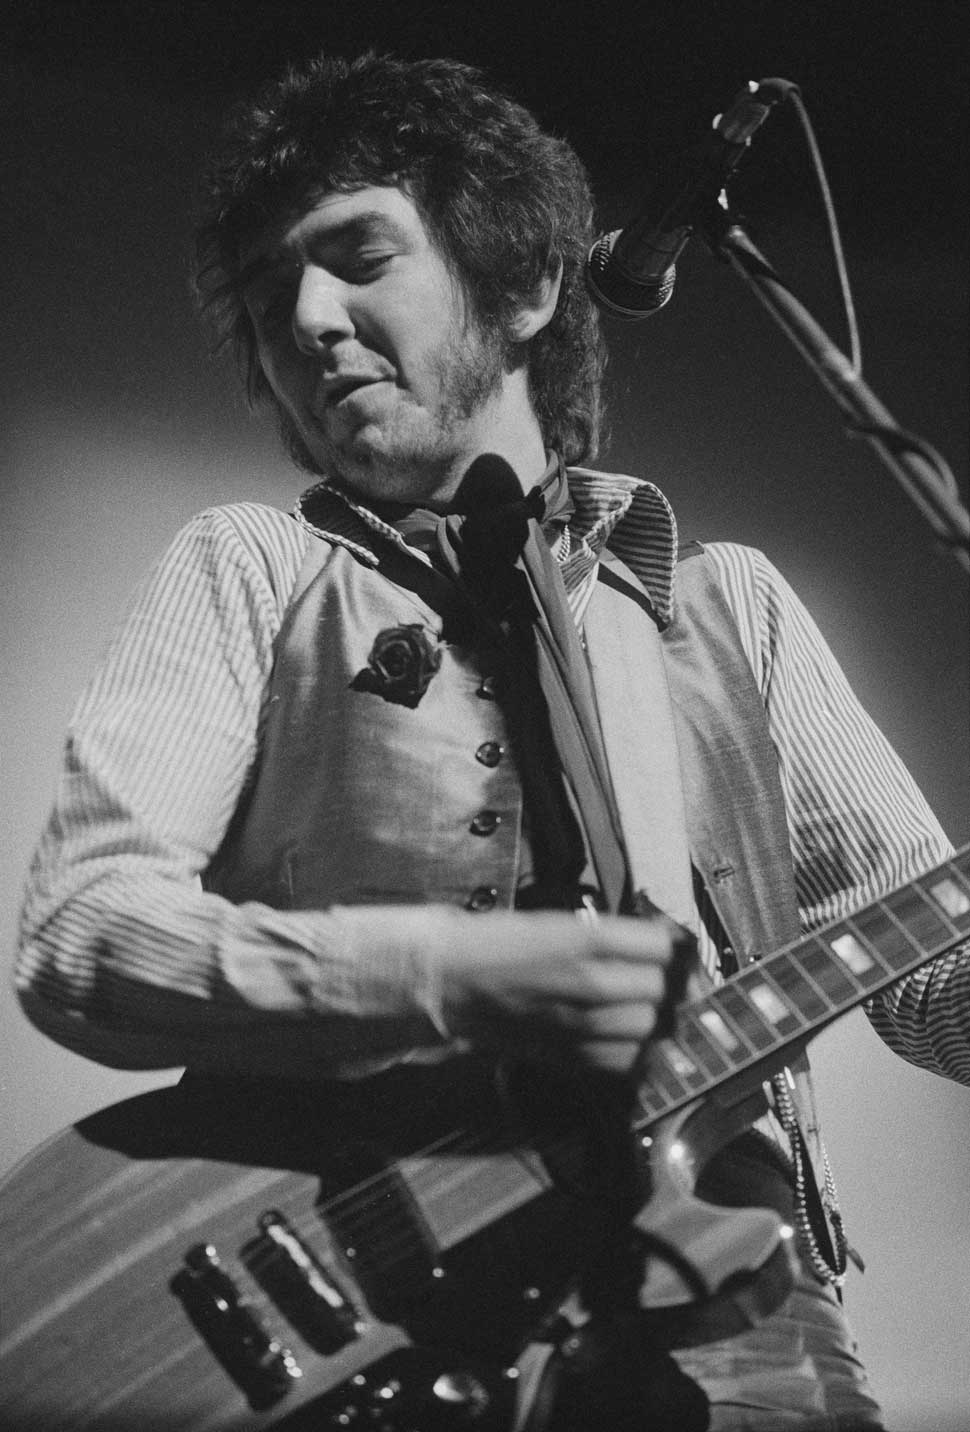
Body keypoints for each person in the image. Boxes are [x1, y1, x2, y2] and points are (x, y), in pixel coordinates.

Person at [15, 51, 967, 1431]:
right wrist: (458, 974)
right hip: (352, 1307)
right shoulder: (247, 570)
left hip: (730, 1324)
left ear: (524, 287)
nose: (306, 318)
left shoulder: (728, 609)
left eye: (355, 258)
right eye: (271, 295)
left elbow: (931, 994)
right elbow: (85, 938)